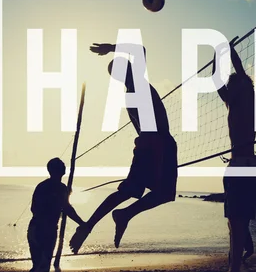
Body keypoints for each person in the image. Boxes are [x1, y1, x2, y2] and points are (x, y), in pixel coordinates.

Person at [69, 43, 178, 253]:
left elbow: (140, 52)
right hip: (155, 144)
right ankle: (102, 222)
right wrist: (111, 48)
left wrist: (113, 49)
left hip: (156, 143)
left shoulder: (132, 90)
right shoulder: (135, 85)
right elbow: (141, 50)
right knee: (139, 191)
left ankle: (118, 216)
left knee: (149, 193)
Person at [213, 37, 256, 272]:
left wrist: (229, 50)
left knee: (237, 217)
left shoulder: (249, 95)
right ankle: (244, 239)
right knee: (233, 218)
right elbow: (216, 80)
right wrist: (216, 57)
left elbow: (239, 71)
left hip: (245, 163)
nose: (231, 85)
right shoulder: (230, 101)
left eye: (235, 82)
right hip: (235, 164)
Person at [27, 158, 85, 272]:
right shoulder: (44, 187)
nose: (63, 167)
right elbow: (35, 208)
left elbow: (66, 208)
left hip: (50, 230)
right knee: (39, 266)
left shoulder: (62, 188)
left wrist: (81, 223)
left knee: (43, 267)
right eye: (60, 166)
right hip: (38, 229)